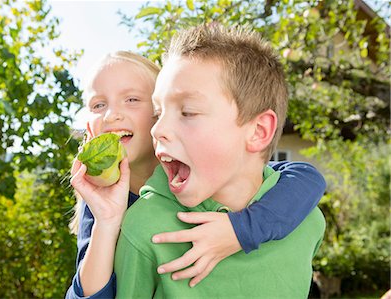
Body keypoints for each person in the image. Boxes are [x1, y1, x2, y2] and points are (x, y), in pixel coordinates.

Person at [66, 50, 326, 299]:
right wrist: (106, 224)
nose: (111, 115)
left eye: (132, 99)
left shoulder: (206, 175)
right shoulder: (103, 205)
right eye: (98, 104)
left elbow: (305, 178)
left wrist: (241, 230)